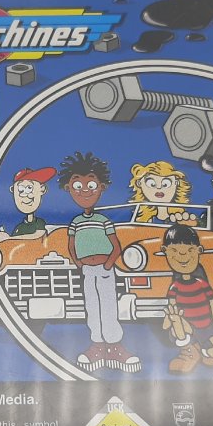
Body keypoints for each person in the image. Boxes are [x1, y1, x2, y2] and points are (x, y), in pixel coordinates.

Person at [59, 152, 141, 373]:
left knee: (108, 305)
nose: (85, 190)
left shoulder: (104, 221)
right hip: (87, 270)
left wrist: (108, 264)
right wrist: (79, 263)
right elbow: (71, 245)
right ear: (68, 188)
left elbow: (116, 245)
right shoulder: (75, 222)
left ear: (101, 187)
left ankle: (114, 346)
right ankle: (97, 345)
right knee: (92, 306)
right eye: (78, 185)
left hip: (105, 269)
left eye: (92, 185)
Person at [160, 225, 213, 374]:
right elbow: (167, 322)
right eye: (174, 251)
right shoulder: (174, 287)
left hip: (207, 328)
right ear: (165, 251)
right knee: (178, 324)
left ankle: (206, 350)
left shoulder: (202, 284)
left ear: (199, 250)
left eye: (190, 251)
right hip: (188, 330)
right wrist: (172, 320)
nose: (183, 256)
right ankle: (191, 351)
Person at [0, 167, 55, 242]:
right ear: (13, 190)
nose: (25, 195)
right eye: (21, 189)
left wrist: (9, 238)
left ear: (42, 189)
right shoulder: (19, 228)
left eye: (29, 188)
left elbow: (37, 235)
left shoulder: (39, 222)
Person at [128, 160, 197, 224]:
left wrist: (190, 224)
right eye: (152, 184)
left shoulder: (182, 216)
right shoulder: (142, 219)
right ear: (139, 183)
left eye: (165, 184)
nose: (159, 188)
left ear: (176, 183)